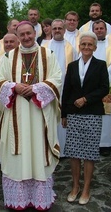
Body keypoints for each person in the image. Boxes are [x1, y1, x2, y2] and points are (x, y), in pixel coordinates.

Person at [0, 21, 62, 210]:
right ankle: (18, 199)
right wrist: (14, 87)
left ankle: (40, 198)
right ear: (17, 36)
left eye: (29, 33)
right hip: (17, 115)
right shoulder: (9, 56)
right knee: (19, 154)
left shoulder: (48, 55)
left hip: (40, 116)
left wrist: (37, 89)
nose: (26, 37)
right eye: (21, 34)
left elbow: (57, 78)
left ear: (34, 32)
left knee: (38, 151)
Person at [61, 31, 109, 205]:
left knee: (89, 153)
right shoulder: (72, 66)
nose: (86, 47)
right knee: (74, 153)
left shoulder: (101, 65)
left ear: (95, 47)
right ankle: (75, 186)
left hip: (92, 112)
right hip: (74, 113)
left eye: (90, 44)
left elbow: (104, 88)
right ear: (79, 47)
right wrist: (64, 113)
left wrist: (86, 99)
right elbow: (67, 91)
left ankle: (86, 187)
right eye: (83, 44)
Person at [42, 19, 78, 157]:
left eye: (60, 28)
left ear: (64, 30)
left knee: (63, 118)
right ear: (51, 30)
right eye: (55, 28)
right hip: (48, 88)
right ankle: (49, 147)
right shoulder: (44, 47)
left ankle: (63, 150)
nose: (57, 31)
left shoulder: (71, 48)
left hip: (65, 88)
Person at [92, 20, 111, 156]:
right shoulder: (90, 45)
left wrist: (103, 76)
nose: (99, 30)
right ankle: (97, 143)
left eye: (101, 28)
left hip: (108, 82)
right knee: (97, 113)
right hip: (94, 84)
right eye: (96, 28)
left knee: (109, 115)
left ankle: (109, 143)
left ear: (106, 29)